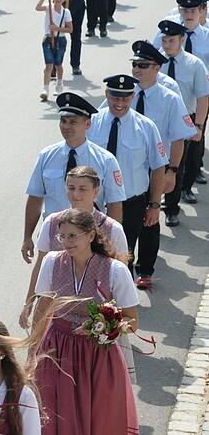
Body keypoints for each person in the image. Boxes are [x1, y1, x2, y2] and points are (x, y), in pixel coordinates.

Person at [28, 208, 140, 434]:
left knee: (98, 414)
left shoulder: (115, 270)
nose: (67, 242)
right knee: (54, 409)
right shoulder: (52, 262)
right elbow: (42, 309)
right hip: (57, 348)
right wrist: (33, 350)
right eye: (62, 236)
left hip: (98, 355)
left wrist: (102, 329)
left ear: (90, 235)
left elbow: (132, 321)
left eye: (73, 236)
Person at [20, 166, 131, 329]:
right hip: (57, 319)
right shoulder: (52, 222)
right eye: (71, 188)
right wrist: (29, 302)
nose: (76, 195)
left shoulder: (112, 228)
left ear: (96, 192)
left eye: (82, 189)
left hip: (96, 325)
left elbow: (122, 277)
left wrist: (108, 326)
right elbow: (40, 265)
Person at [22, 92, 126, 262]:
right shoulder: (46, 155)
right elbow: (35, 197)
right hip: (54, 235)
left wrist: (109, 242)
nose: (66, 126)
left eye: (73, 122)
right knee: (48, 285)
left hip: (89, 239)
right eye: (63, 121)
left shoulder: (105, 160)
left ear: (87, 124)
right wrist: (27, 237)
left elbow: (114, 204)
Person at [88, 75, 167, 291]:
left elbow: (158, 167)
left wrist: (154, 204)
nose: (119, 103)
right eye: (115, 97)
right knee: (94, 251)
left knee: (125, 251)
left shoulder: (146, 127)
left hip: (130, 202)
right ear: (106, 94)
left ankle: (123, 299)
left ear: (133, 96)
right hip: (95, 204)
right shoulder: (91, 122)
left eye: (125, 98)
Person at [125, 40, 197, 228]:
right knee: (127, 220)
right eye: (134, 64)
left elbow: (178, 139)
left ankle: (169, 212)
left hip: (154, 167)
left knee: (150, 219)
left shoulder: (170, 99)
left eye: (143, 65)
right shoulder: (123, 95)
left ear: (157, 68)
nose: (136, 70)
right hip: (127, 165)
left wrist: (172, 171)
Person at [158, 19, 209, 210]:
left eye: (171, 40)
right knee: (165, 164)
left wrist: (199, 126)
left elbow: (203, 96)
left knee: (186, 161)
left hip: (186, 119)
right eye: (164, 40)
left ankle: (184, 190)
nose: (167, 44)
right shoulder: (155, 63)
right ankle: (171, 205)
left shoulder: (194, 64)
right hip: (161, 122)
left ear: (181, 39)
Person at [35, 0, 73, 100]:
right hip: (48, 38)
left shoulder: (66, 12)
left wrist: (57, 28)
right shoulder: (49, 8)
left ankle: (59, 84)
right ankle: (45, 89)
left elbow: (70, 29)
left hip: (60, 39)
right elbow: (37, 7)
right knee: (49, 65)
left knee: (58, 64)